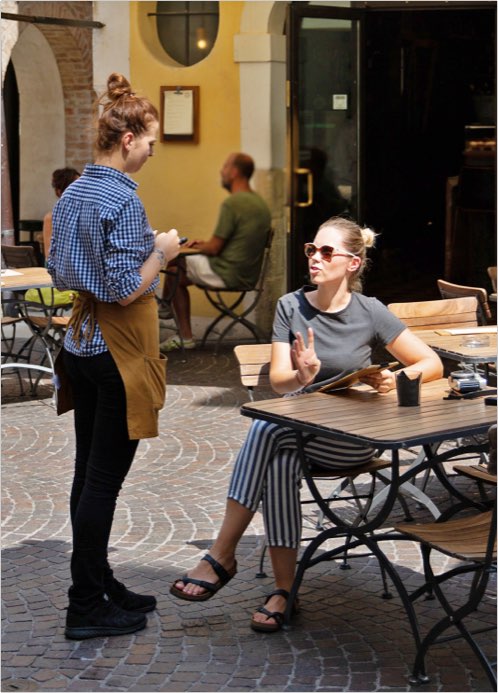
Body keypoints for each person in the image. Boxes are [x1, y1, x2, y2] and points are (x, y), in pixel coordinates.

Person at [169, 215, 443, 632]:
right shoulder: (290, 305)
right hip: (300, 434)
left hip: (352, 438)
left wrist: (395, 377)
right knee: (279, 462)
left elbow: (432, 363)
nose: (315, 257)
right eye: (311, 249)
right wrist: (304, 376)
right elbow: (280, 384)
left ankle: (222, 553)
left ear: (352, 263)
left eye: (327, 251)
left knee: (265, 429)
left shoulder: (371, 312)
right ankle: (285, 590)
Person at [47, 72, 182, 640]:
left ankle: (100, 582)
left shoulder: (75, 188)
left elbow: (58, 263)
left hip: (79, 344)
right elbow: (128, 288)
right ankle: (85, 605)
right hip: (116, 351)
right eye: (151, 141)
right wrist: (164, 252)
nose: (152, 152)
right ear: (128, 140)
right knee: (103, 482)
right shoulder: (124, 197)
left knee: (87, 476)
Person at [159, 152, 271, 352]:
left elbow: (214, 248)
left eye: (225, 167)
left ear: (235, 172)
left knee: (175, 264)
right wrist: (203, 244)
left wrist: (200, 246)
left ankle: (175, 322)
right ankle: (168, 310)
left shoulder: (233, 203)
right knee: (178, 273)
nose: (222, 171)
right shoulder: (260, 204)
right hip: (248, 275)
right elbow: (233, 243)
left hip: (227, 273)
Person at [43, 167, 80, 259]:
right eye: (77, 186)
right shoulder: (52, 217)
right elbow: (49, 255)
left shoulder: (88, 214)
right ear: (60, 192)